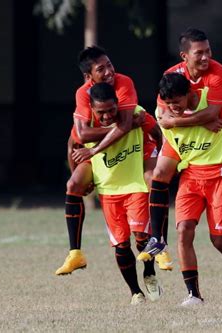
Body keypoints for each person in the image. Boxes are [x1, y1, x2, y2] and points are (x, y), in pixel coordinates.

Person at [137, 28, 222, 262]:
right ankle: (157, 237)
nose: (206, 57)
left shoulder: (217, 71)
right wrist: (197, 122)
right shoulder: (171, 78)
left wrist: (190, 120)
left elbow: (214, 113)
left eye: (208, 50)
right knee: (159, 173)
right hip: (190, 133)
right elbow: (164, 118)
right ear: (184, 56)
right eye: (199, 53)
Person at [55, 46, 168, 275]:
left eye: (109, 64)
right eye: (101, 68)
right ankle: (75, 253)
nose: (109, 71)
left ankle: (160, 243)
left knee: (152, 179)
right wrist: (80, 171)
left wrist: (160, 151)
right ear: (89, 78)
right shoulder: (83, 94)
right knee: (73, 185)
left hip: (130, 150)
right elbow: (79, 138)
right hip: (100, 155)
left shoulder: (123, 83)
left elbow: (132, 125)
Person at [152, 73, 222, 306]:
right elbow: (170, 134)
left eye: (177, 101)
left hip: (221, 177)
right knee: (184, 230)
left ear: (190, 94)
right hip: (191, 177)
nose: (173, 107)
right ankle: (193, 294)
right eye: (169, 103)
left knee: (220, 241)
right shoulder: (164, 113)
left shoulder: (216, 104)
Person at [72, 82, 162, 305]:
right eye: (100, 112)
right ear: (92, 108)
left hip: (135, 185)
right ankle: (135, 292)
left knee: (141, 236)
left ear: (118, 104)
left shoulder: (135, 113)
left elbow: (156, 132)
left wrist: (158, 162)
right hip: (108, 190)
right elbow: (72, 145)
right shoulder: (86, 125)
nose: (106, 116)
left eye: (111, 110)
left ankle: (149, 273)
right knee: (121, 244)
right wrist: (81, 177)